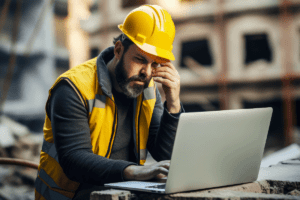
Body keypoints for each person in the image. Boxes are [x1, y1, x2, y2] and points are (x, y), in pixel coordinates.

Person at [34, 4, 184, 200]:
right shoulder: (73, 88)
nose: (147, 73)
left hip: (121, 191)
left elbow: (162, 152)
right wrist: (133, 171)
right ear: (119, 49)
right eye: (140, 59)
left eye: (155, 64)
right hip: (69, 195)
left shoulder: (148, 90)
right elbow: (74, 159)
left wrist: (173, 104)